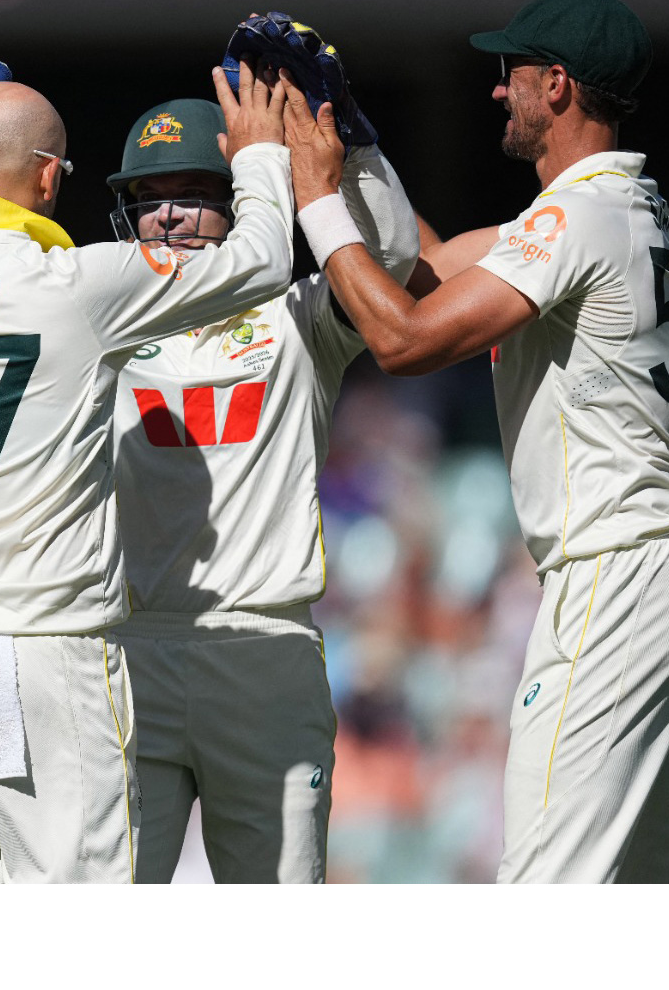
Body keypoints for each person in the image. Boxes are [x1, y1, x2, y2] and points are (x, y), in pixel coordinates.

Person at [279, 0, 669, 882]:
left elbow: (404, 337)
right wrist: (358, 145)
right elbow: (424, 267)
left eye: (513, 74)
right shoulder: (620, 206)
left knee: (543, 890)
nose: (498, 90)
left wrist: (312, 198)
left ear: (559, 86)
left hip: (623, 569)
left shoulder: (574, 220)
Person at [0, 27, 297, 882]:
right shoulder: (86, 286)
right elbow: (260, 260)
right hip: (43, 645)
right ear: (46, 180)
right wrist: (257, 156)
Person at [104, 85, 419, 882]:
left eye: (193, 193)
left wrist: (356, 136)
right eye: (147, 198)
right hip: (127, 645)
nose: (167, 216)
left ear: (241, 195)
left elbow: (393, 257)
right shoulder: (91, 318)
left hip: (264, 645)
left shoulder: (298, 317)